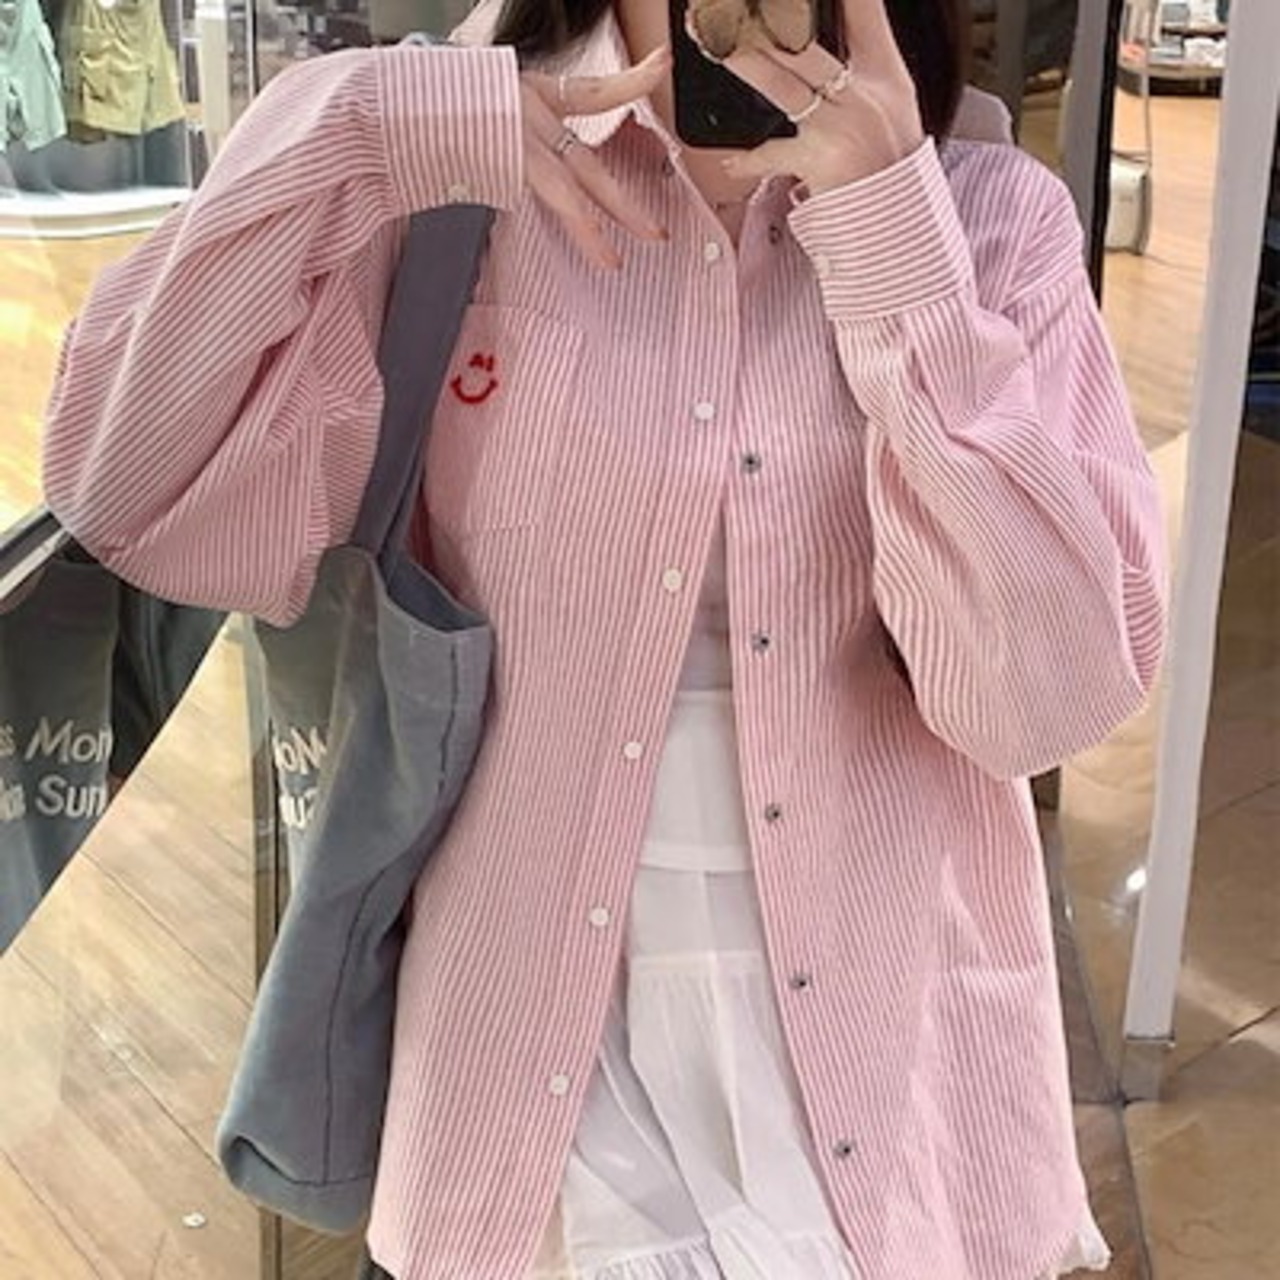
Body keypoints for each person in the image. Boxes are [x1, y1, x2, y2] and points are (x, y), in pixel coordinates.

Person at [41, 0, 1168, 1275]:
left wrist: (894, 251)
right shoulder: (456, 179)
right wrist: (356, 125)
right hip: (537, 1056)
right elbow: (129, 484)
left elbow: (1046, 701)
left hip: (890, 1049)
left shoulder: (985, 216)